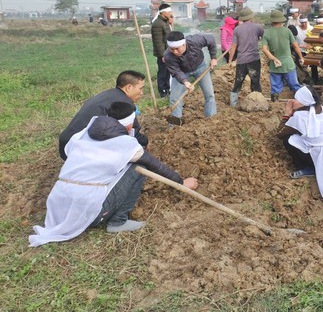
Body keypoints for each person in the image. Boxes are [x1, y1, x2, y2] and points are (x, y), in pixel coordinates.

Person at [30, 102, 198, 246]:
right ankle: (118, 221)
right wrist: (181, 182)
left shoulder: (82, 135)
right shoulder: (125, 144)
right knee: (137, 168)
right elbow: (155, 165)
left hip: (56, 206)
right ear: (129, 125)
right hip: (89, 211)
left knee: (122, 168)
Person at [58, 70, 148, 160]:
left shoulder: (109, 94)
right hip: (79, 149)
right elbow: (133, 135)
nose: (142, 93)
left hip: (66, 143)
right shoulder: (124, 104)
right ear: (128, 87)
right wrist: (146, 143)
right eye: (140, 88)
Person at [164, 31, 218, 122]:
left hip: (200, 67)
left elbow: (211, 39)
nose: (175, 52)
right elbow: (176, 72)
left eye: (177, 48)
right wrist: (185, 82)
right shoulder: (168, 56)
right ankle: (175, 127)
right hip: (182, 72)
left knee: (209, 95)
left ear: (184, 44)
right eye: (172, 49)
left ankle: (211, 120)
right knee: (174, 99)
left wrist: (213, 58)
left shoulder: (195, 40)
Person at [261, 10, 304, 101]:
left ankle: (275, 104)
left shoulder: (267, 33)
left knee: (275, 87)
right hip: (288, 63)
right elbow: (295, 46)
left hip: (275, 64)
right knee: (294, 85)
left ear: (272, 20)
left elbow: (264, 49)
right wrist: (301, 57)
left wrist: (273, 58)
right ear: (281, 20)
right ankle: (301, 101)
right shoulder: (287, 31)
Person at [227, 7, 265, 107]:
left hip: (241, 60)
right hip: (254, 59)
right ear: (251, 17)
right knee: (255, 81)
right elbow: (264, 38)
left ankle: (233, 103)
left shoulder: (237, 29)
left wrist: (230, 60)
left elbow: (234, 46)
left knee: (238, 81)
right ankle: (258, 102)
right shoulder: (258, 27)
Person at [151, 3, 174, 97]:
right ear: (163, 12)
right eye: (169, 12)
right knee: (162, 72)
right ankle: (163, 91)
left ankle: (168, 88)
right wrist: (163, 55)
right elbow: (158, 42)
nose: (171, 13)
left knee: (168, 71)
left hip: (168, 51)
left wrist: (170, 22)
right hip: (163, 53)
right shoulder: (157, 24)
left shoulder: (165, 22)